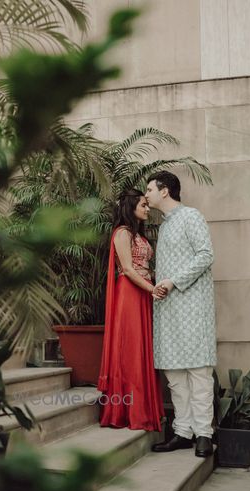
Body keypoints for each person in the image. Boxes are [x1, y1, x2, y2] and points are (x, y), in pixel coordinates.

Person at [145, 171, 217, 457]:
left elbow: (205, 255)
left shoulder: (191, 216)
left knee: (199, 372)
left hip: (193, 306)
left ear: (164, 191)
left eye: (149, 189)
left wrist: (174, 281)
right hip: (168, 309)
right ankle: (183, 432)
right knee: (174, 374)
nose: (146, 194)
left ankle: (204, 434)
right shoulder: (164, 226)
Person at [97, 189, 166, 431]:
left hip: (143, 292)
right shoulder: (122, 233)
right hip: (130, 293)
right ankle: (127, 411)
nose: (147, 209)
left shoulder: (139, 235)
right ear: (130, 207)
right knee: (131, 349)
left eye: (147, 204)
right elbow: (127, 269)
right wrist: (152, 288)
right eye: (143, 205)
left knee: (141, 348)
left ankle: (143, 408)